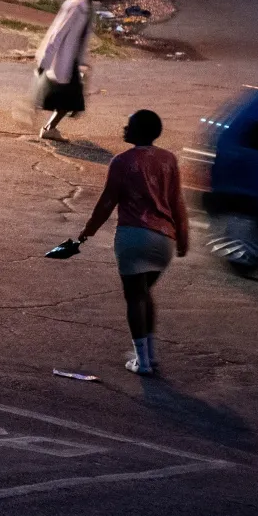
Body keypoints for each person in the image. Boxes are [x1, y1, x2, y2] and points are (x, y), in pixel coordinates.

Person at [65, 109, 189, 376]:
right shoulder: (168, 160)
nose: (124, 128)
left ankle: (141, 362)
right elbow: (177, 201)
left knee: (134, 297)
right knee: (145, 294)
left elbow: (108, 201)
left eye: (129, 125)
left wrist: (88, 231)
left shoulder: (122, 161)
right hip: (164, 240)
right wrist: (183, 236)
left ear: (139, 131)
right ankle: (149, 355)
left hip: (133, 237)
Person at [34, 0, 109, 141]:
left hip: (72, 60)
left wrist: (83, 62)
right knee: (70, 99)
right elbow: (57, 35)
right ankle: (48, 128)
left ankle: (49, 127)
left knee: (70, 99)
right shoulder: (76, 7)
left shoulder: (88, 7)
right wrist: (44, 61)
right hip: (63, 59)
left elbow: (81, 38)